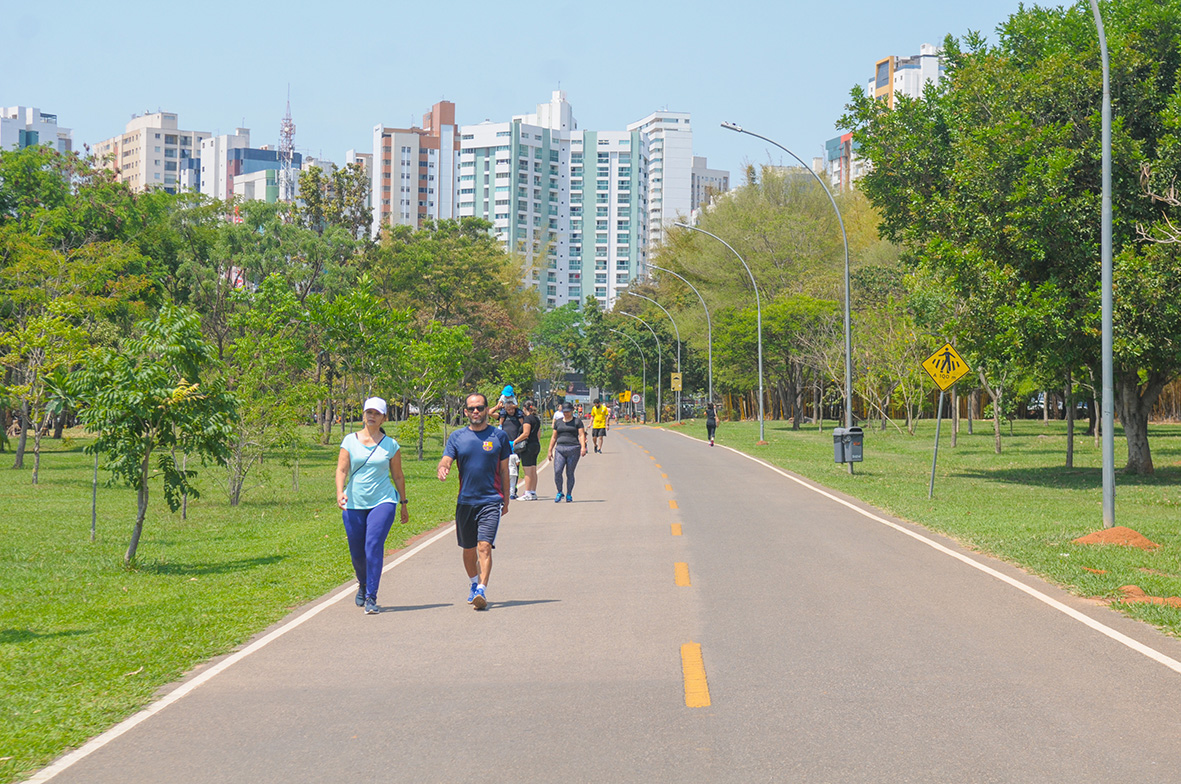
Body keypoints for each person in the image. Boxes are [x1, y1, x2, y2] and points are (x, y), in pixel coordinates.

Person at [437, 392, 512, 610]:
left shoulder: (498, 437)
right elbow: (446, 458)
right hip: (466, 502)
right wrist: (444, 467)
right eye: (471, 409)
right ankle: (473, 583)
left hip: (490, 500)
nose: (476, 412)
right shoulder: (457, 437)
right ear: (466, 412)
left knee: (484, 546)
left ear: (487, 409)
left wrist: (505, 500)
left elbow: (504, 471)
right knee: (468, 549)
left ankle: (481, 589)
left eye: (480, 407)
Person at [335, 397, 409, 615]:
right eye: (368, 412)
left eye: (377, 413)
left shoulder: (391, 445)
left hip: (383, 501)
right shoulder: (349, 441)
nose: (371, 416)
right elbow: (341, 470)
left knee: (373, 545)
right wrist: (340, 492)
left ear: (384, 417)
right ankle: (363, 583)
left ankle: (371, 597)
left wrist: (403, 503)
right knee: (357, 552)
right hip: (354, 502)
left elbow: (397, 475)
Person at [547, 401, 587, 503]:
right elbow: (554, 436)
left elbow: (581, 435)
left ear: (572, 411)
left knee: (570, 472)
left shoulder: (577, 422)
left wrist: (583, 447)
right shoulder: (558, 422)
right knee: (557, 471)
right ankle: (559, 491)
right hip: (560, 449)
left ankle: (569, 493)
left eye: (568, 411)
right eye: (564, 412)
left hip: (573, 449)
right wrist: (550, 450)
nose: (566, 413)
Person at [498, 397, 526, 499]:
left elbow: (524, 426)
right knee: (503, 466)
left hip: (516, 444)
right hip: (504, 444)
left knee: (515, 468)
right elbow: (490, 412)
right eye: (508, 410)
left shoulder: (518, 416)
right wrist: (498, 406)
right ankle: (503, 489)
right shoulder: (503, 416)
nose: (510, 411)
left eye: (512, 409)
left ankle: (513, 490)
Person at [518, 400, 542, 500]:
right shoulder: (536, 419)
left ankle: (527, 492)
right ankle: (532, 491)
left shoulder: (527, 419)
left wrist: (515, 441)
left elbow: (526, 433)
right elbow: (538, 433)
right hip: (535, 444)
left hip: (528, 446)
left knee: (527, 470)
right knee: (533, 469)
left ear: (524, 408)